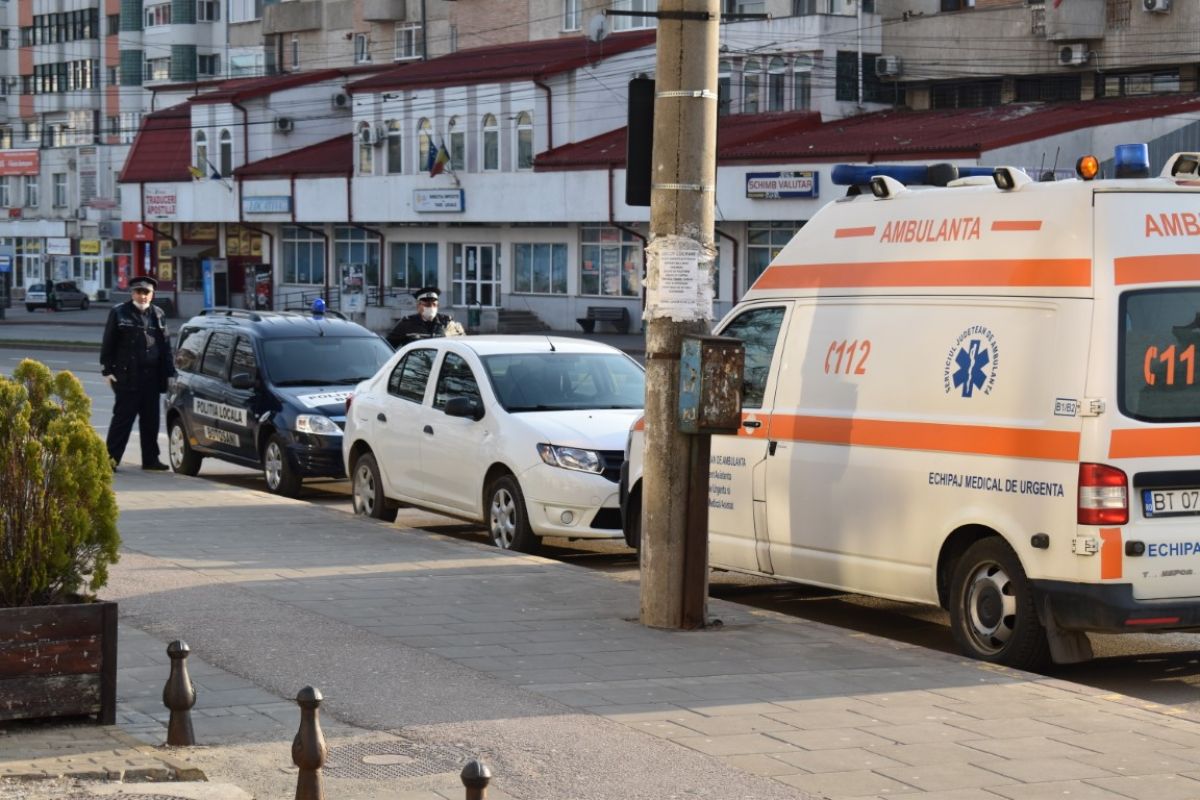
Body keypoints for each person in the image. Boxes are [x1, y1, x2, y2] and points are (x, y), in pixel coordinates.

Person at [100, 275, 176, 471]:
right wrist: (107, 370)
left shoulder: (158, 313)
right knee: (122, 420)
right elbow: (108, 342)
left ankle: (150, 459)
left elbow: (165, 346)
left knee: (151, 420)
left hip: (152, 376)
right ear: (132, 293)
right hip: (127, 376)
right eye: (138, 292)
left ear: (152, 294)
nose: (142, 296)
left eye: (146, 292)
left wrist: (170, 373)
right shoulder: (119, 312)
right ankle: (110, 460)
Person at [386, 287, 463, 347]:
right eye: (427, 305)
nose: (431, 308)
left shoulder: (447, 323)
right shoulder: (406, 324)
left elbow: (463, 344)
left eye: (434, 304)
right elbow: (388, 347)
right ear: (418, 306)